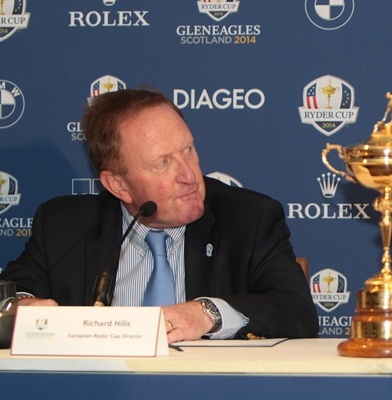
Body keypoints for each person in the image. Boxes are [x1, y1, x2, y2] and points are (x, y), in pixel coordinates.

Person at [0, 89, 318, 343]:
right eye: (163, 163)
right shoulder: (64, 226)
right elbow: (9, 294)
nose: (189, 175)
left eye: (188, 150)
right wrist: (19, 308)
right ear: (118, 185)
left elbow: (297, 310)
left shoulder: (249, 218)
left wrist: (208, 313)